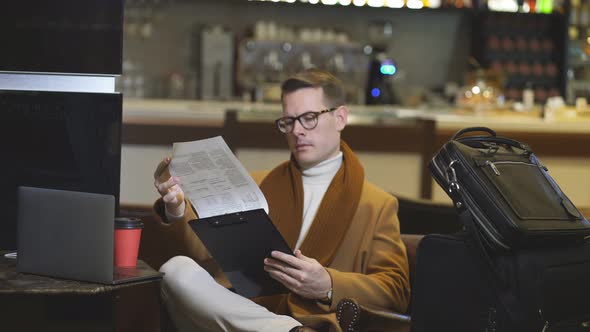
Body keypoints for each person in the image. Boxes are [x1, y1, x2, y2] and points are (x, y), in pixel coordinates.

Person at [153, 68, 410, 332]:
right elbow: (203, 253)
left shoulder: (377, 204)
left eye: (309, 118)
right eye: (288, 121)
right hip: (247, 311)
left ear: (340, 118)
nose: (297, 130)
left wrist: (329, 284)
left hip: (310, 318)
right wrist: (176, 207)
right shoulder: (256, 185)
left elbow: (395, 291)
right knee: (175, 269)